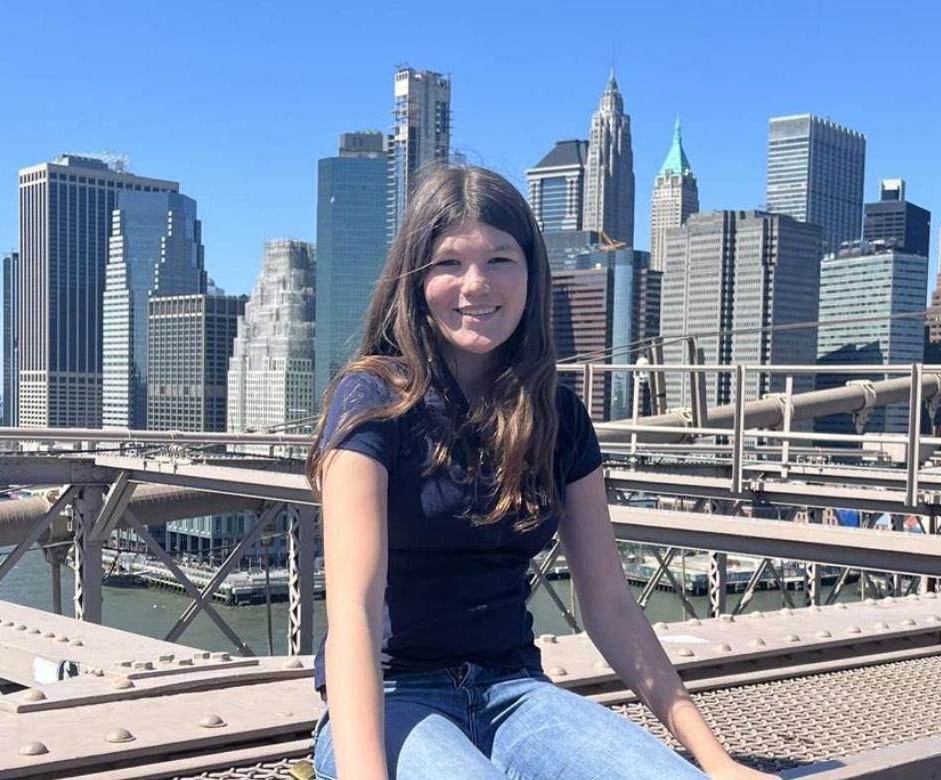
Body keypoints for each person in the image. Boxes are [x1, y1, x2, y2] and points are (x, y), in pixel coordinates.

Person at [306, 165, 774, 780]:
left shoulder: (557, 415)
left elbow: (609, 604)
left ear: (531, 274)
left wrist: (715, 760)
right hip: (393, 699)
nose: (476, 284)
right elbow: (354, 615)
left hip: (514, 693)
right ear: (415, 280)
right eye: (448, 263)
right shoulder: (373, 400)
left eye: (500, 259)